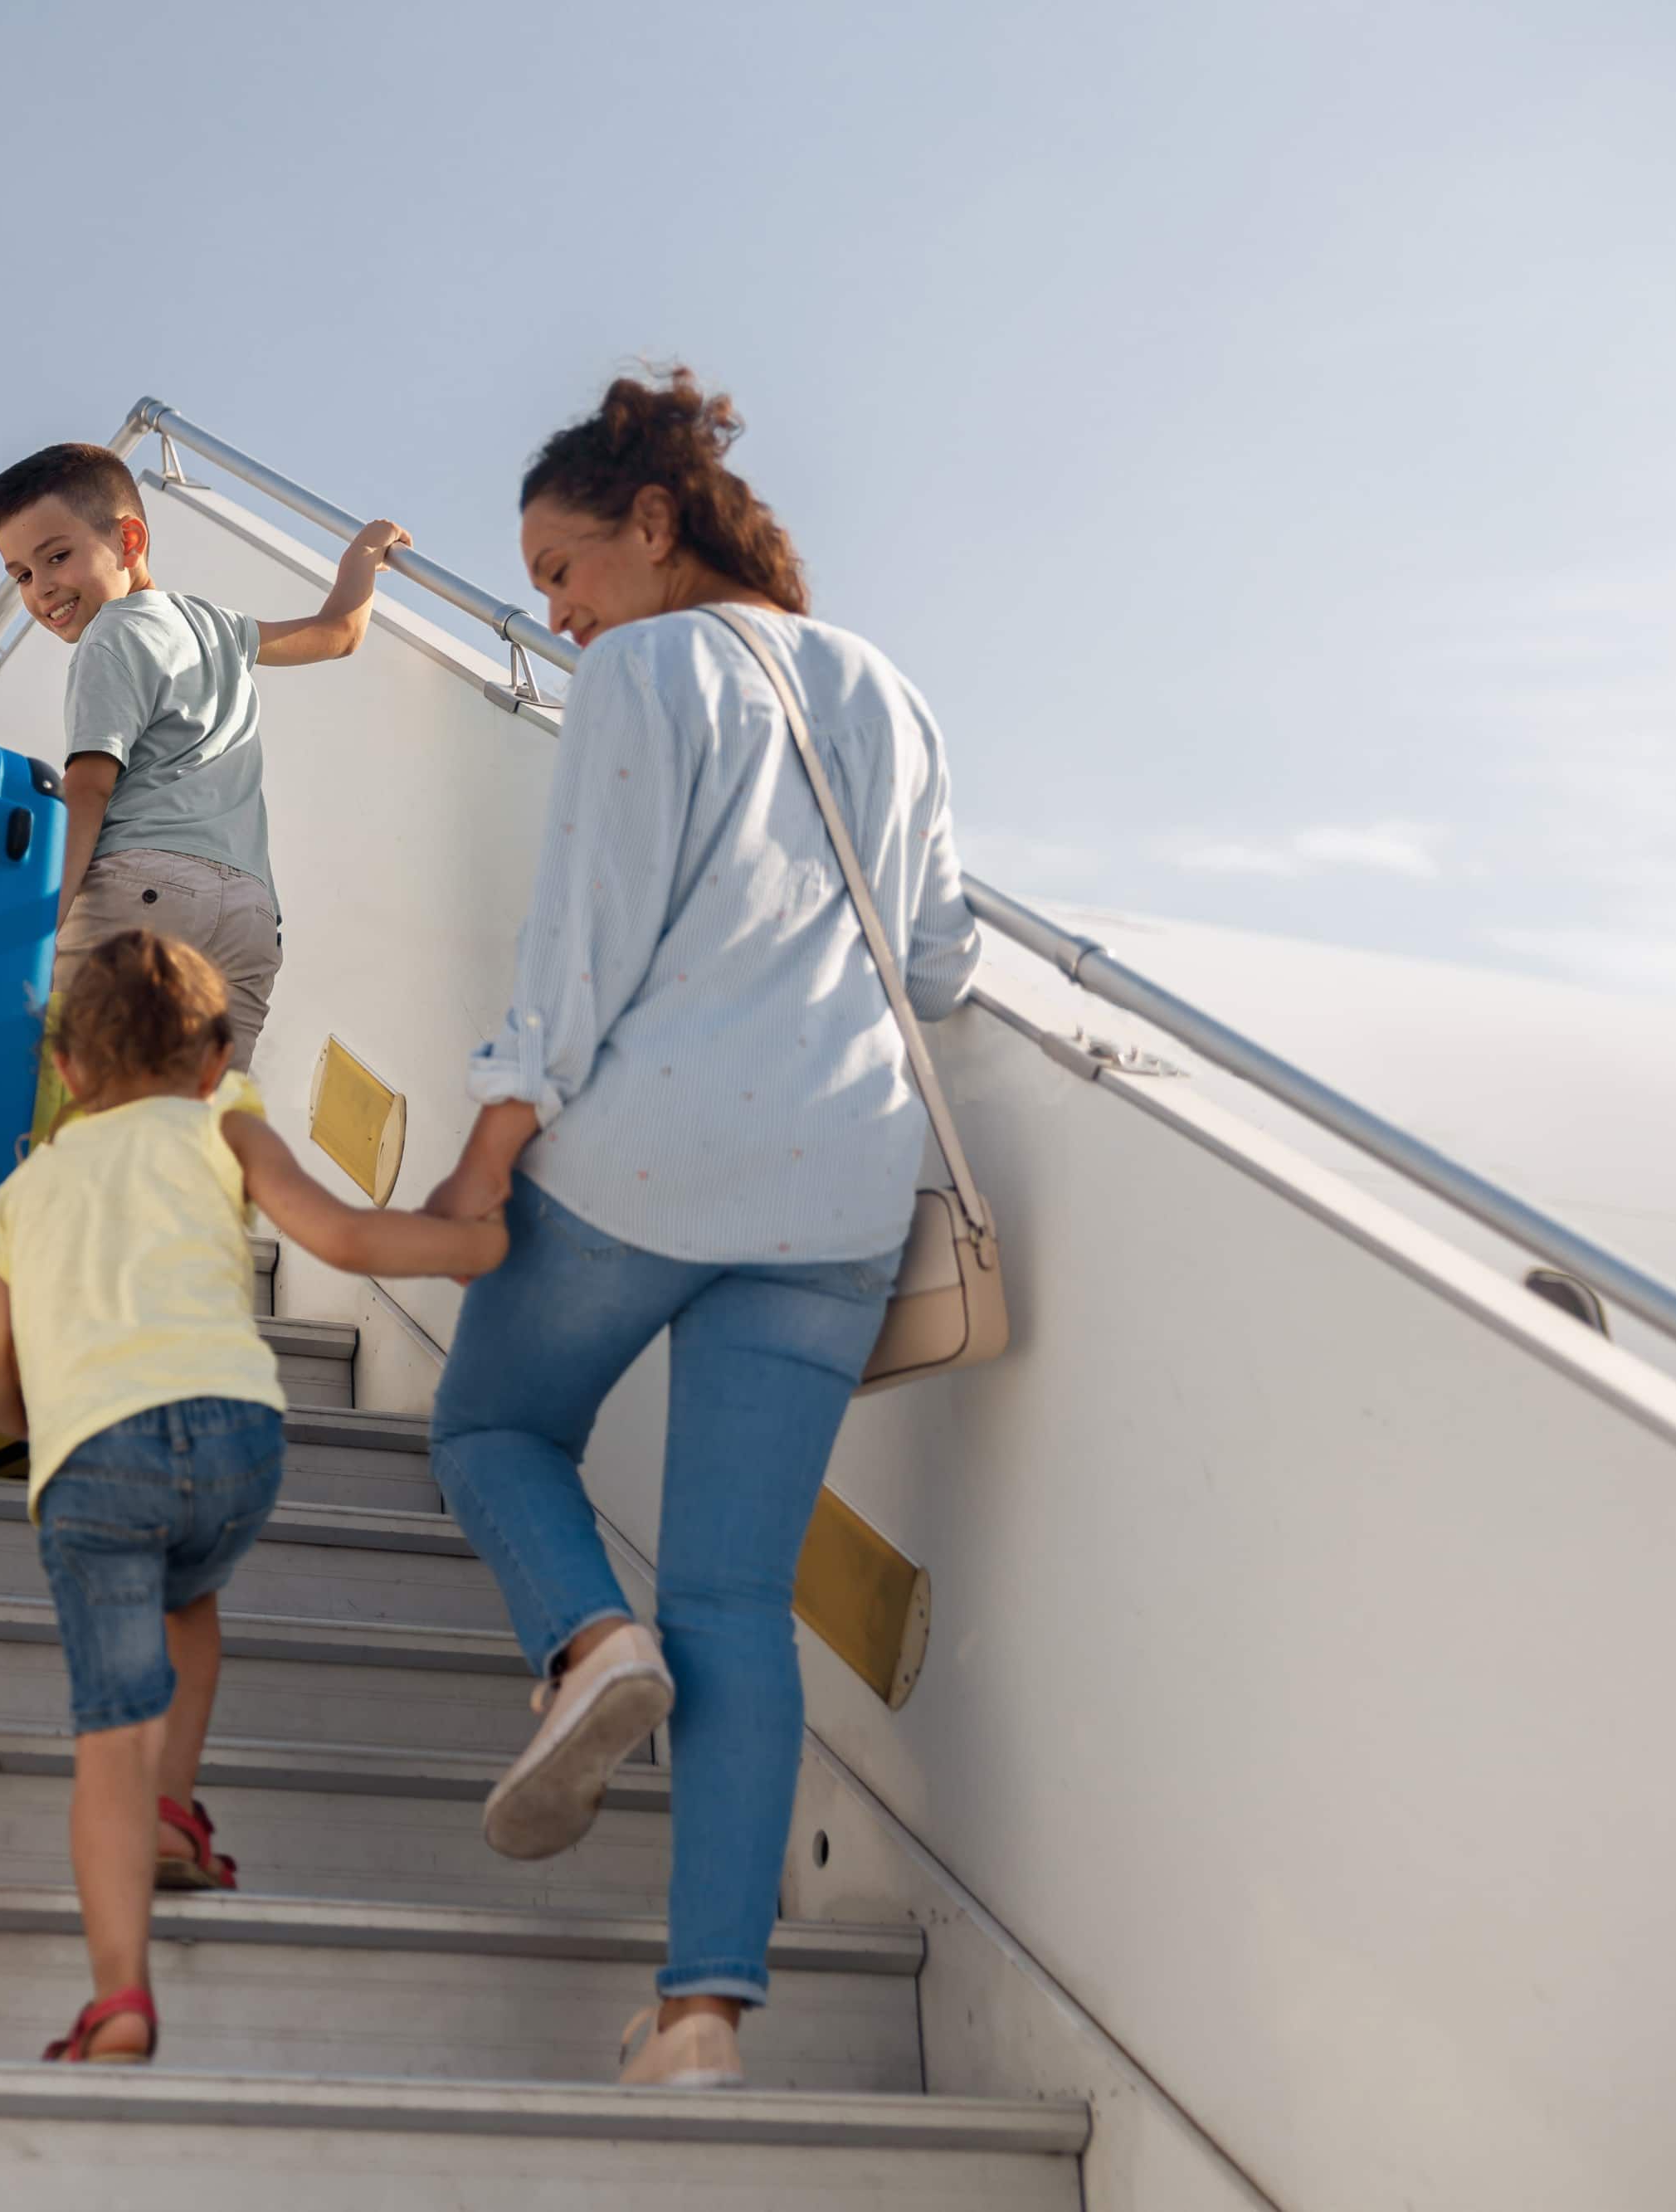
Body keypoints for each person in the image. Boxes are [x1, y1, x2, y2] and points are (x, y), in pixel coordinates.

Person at [418, 370, 981, 2091]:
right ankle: (700, 2019)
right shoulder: (890, 691)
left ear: (650, 525)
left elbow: (576, 943)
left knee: (496, 1422)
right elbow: (942, 964)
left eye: (558, 570)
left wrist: (487, 1141)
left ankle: (588, 1645)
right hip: (836, 1194)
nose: (555, 611)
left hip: (649, 1156)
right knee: (737, 1596)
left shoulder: (641, 673)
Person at [0, 930, 504, 2063]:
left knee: (112, 1727)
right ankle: (176, 1805)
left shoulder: (28, 1186)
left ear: (65, 1069)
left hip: (95, 1459)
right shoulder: (223, 1122)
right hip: (234, 1438)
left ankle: (120, 1994)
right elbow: (339, 1234)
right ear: (216, 1054)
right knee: (189, 1604)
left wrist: (35, 1424)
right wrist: (472, 1241)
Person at [0, 442, 408, 1073]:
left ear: (129, 540)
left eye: (57, 557)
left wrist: (40, 926)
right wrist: (363, 555)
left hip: (140, 891)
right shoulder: (217, 627)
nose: (42, 587)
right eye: (21, 575)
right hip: (248, 921)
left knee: (55, 1098)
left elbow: (90, 789)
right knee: (194, 1135)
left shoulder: (110, 636)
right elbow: (339, 632)